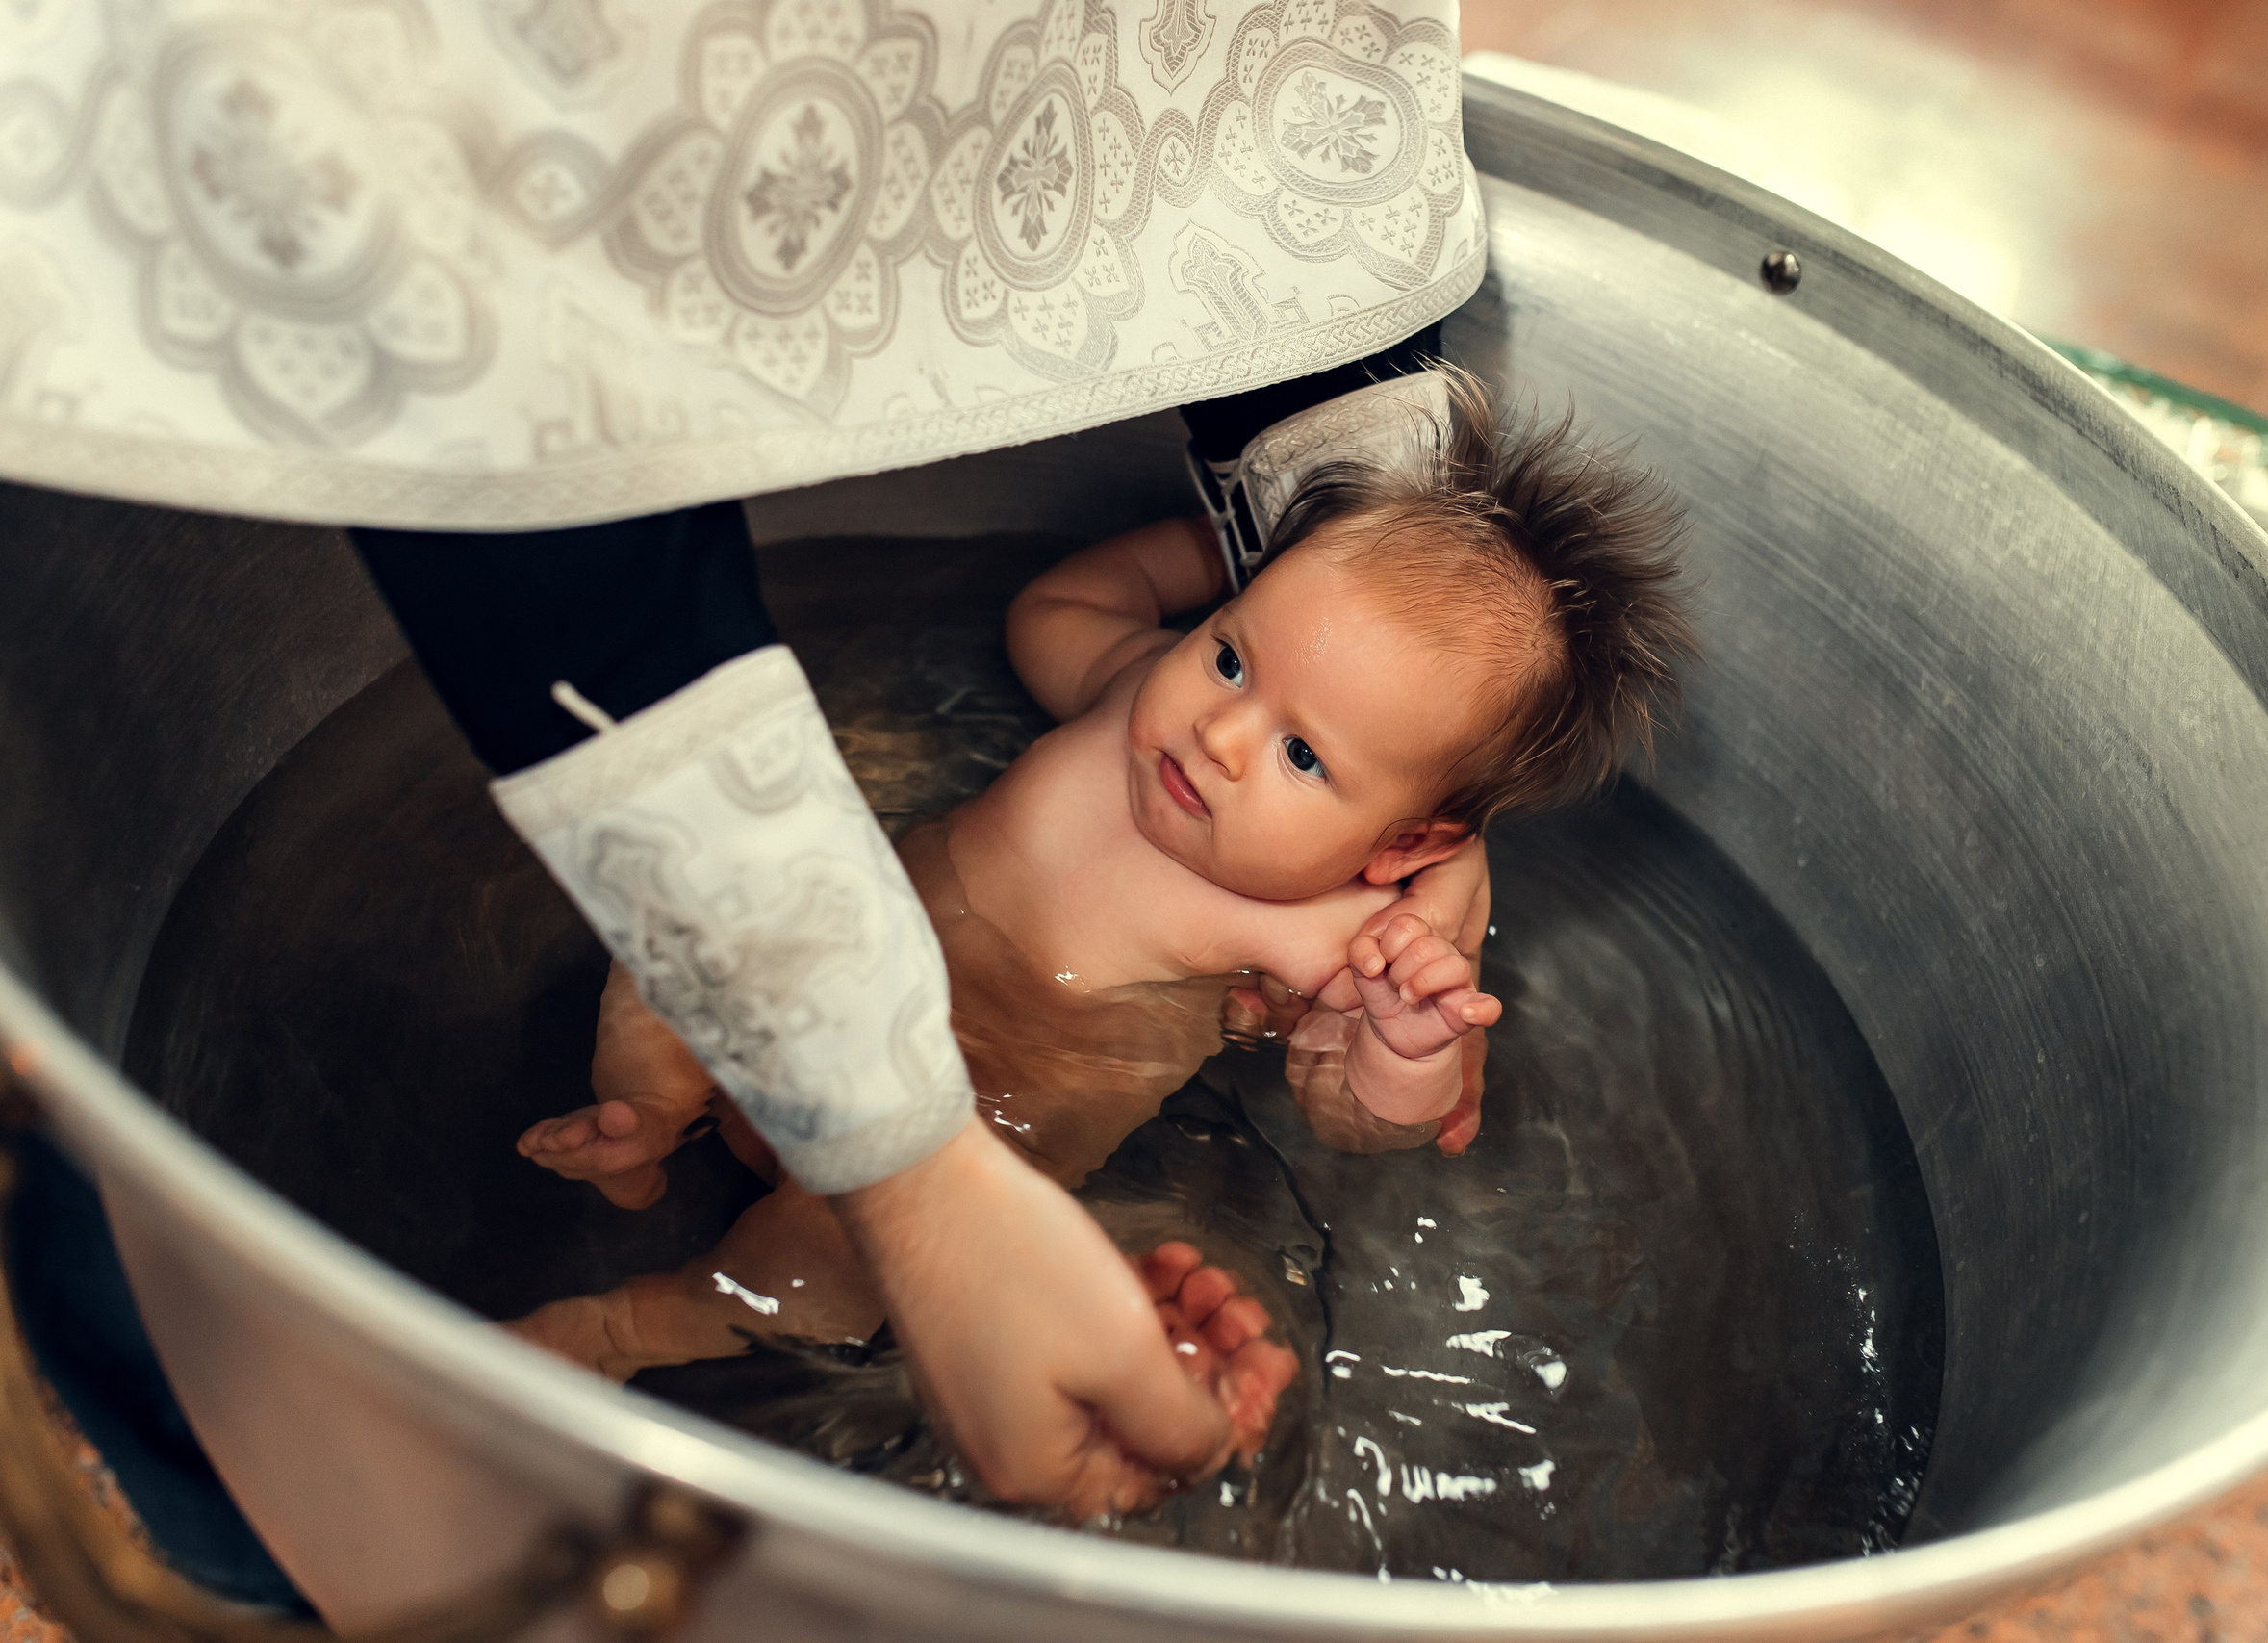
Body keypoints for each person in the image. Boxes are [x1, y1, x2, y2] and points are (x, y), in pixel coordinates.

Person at [501, 363, 1694, 1403]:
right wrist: (1213, 549)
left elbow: (1366, 1121)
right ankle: (649, 1113)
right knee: (687, 920)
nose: (1221, 733)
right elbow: (1060, 609)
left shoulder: (1345, 927)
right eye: (1231, 652)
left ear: (1404, 844)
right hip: (830, 962)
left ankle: (621, 1330)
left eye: (1301, 755)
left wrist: (1409, 1041)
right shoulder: (1137, 699)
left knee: (851, 1270)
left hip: (976, 1117)